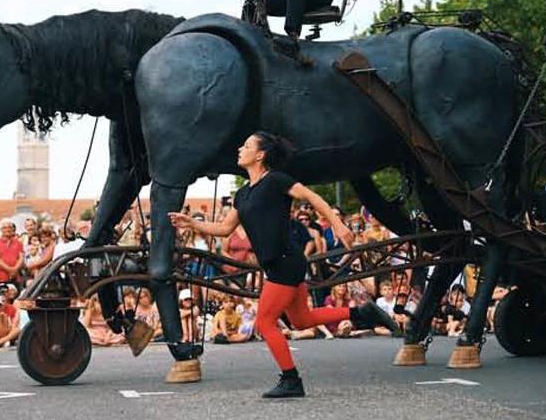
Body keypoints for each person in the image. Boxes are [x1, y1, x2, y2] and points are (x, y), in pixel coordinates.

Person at [169, 131, 396, 398]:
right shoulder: (243, 194)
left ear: (260, 155)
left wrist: (337, 224)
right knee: (301, 320)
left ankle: (291, 379)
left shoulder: (276, 180)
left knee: (265, 323)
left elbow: (312, 197)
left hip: (285, 261)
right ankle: (362, 313)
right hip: (277, 264)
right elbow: (224, 228)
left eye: (246, 145)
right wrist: (192, 223)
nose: (240, 149)